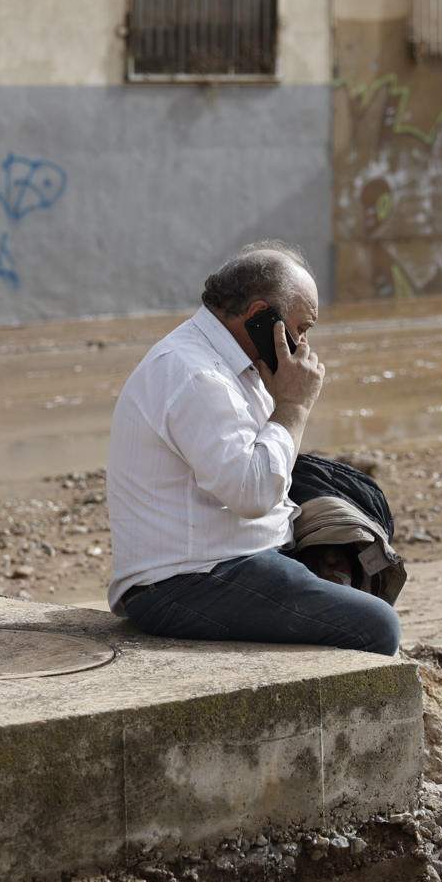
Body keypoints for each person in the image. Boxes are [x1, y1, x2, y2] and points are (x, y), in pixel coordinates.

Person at [105, 242, 402, 655]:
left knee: (366, 556)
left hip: (230, 558)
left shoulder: (234, 365)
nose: (302, 346)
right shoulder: (197, 375)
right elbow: (252, 493)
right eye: (301, 328)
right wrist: (294, 405)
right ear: (261, 316)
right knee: (378, 627)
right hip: (186, 581)